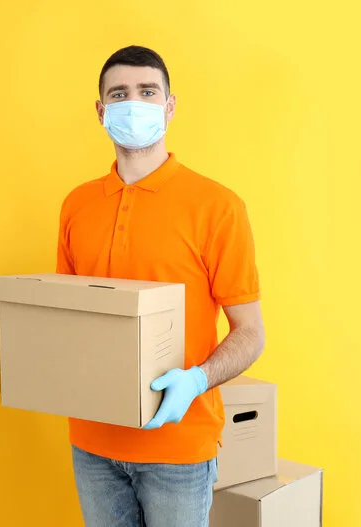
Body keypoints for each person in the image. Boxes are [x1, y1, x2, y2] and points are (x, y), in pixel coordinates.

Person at [56, 45, 266, 527]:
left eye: (148, 92)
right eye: (120, 94)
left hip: (179, 446)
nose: (134, 103)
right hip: (91, 443)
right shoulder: (76, 205)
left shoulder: (217, 206)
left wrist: (195, 381)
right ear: (101, 110)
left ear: (169, 107)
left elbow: (250, 332)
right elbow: (66, 319)